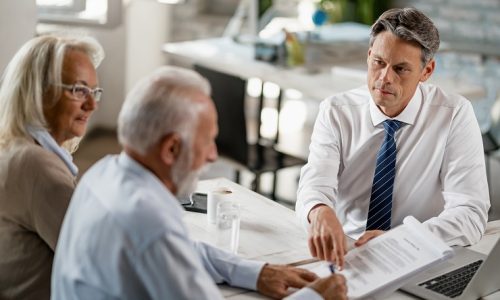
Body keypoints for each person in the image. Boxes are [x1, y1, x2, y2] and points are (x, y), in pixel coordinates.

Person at [51, 66, 347, 300]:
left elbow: (184, 249)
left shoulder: (101, 174)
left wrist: (256, 273)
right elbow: (164, 243)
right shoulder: (149, 224)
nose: (213, 155)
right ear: (171, 149)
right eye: (207, 142)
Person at [296, 7, 490, 269]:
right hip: (348, 250)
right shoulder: (336, 111)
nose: (384, 78)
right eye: (378, 63)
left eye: (400, 69)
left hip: (418, 253)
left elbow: (470, 213)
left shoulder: (454, 115)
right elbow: (315, 183)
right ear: (368, 56)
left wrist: (400, 239)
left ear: (427, 71)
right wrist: (318, 210)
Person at [0, 35, 104, 299]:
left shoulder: (14, 145)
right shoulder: (36, 166)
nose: (92, 105)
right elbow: (98, 265)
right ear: (40, 91)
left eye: (94, 91)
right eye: (79, 90)